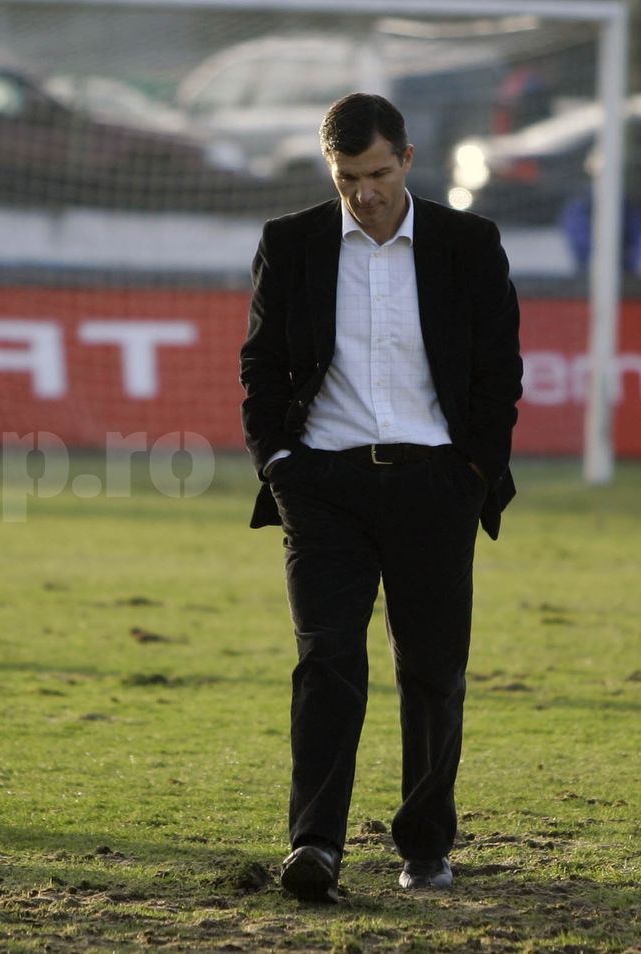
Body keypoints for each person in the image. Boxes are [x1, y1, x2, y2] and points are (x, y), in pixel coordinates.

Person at [240, 93, 522, 902]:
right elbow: (259, 368)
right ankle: (315, 846)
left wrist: (472, 472)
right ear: (330, 168)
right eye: (346, 176)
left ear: (405, 159)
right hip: (322, 486)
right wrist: (281, 466)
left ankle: (427, 845)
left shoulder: (468, 243)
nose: (363, 192)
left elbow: (499, 372)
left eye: (376, 173)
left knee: (433, 671)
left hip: (437, 483)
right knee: (327, 658)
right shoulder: (289, 244)